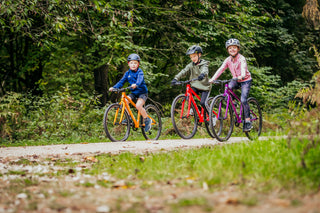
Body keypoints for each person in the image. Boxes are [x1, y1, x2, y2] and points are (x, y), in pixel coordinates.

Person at [209, 38, 252, 132]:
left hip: (245, 80)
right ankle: (234, 102)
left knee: (244, 99)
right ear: (227, 50)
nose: (232, 49)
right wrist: (212, 79)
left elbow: (243, 69)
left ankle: (248, 120)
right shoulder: (228, 60)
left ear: (238, 49)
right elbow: (221, 69)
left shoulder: (241, 58)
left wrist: (242, 76)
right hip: (235, 80)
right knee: (229, 87)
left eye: (234, 47)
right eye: (230, 48)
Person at [109, 53, 152, 132]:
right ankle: (128, 118)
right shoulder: (127, 73)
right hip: (134, 93)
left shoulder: (140, 72)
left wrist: (136, 84)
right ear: (128, 64)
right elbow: (121, 82)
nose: (133, 65)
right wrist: (114, 87)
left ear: (138, 64)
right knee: (124, 101)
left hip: (142, 93)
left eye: (135, 63)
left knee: (138, 105)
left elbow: (140, 79)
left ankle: (147, 119)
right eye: (131, 63)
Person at [171, 45, 211, 114]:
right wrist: (176, 78)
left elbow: (205, 70)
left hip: (205, 86)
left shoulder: (204, 64)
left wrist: (203, 74)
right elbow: (183, 71)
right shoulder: (190, 65)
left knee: (203, 103)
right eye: (191, 57)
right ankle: (193, 110)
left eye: (194, 56)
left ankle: (212, 116)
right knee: (189, 95)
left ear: (199, 55)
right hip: (195, 85)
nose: (193, 59)